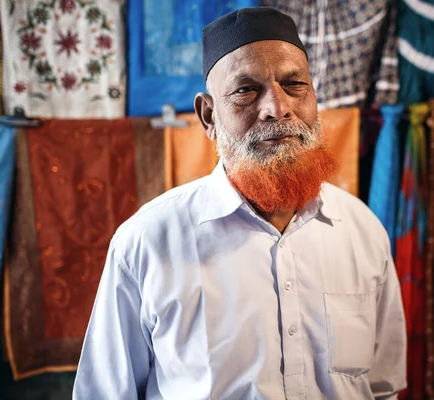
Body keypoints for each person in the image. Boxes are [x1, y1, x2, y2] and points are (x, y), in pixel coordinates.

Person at [73, 7, 406, 400]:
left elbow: (383, 387)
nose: (277, 108)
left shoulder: (362, 231)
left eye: (294, 84)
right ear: (209, 115)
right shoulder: (146, 242)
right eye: (246, 90)